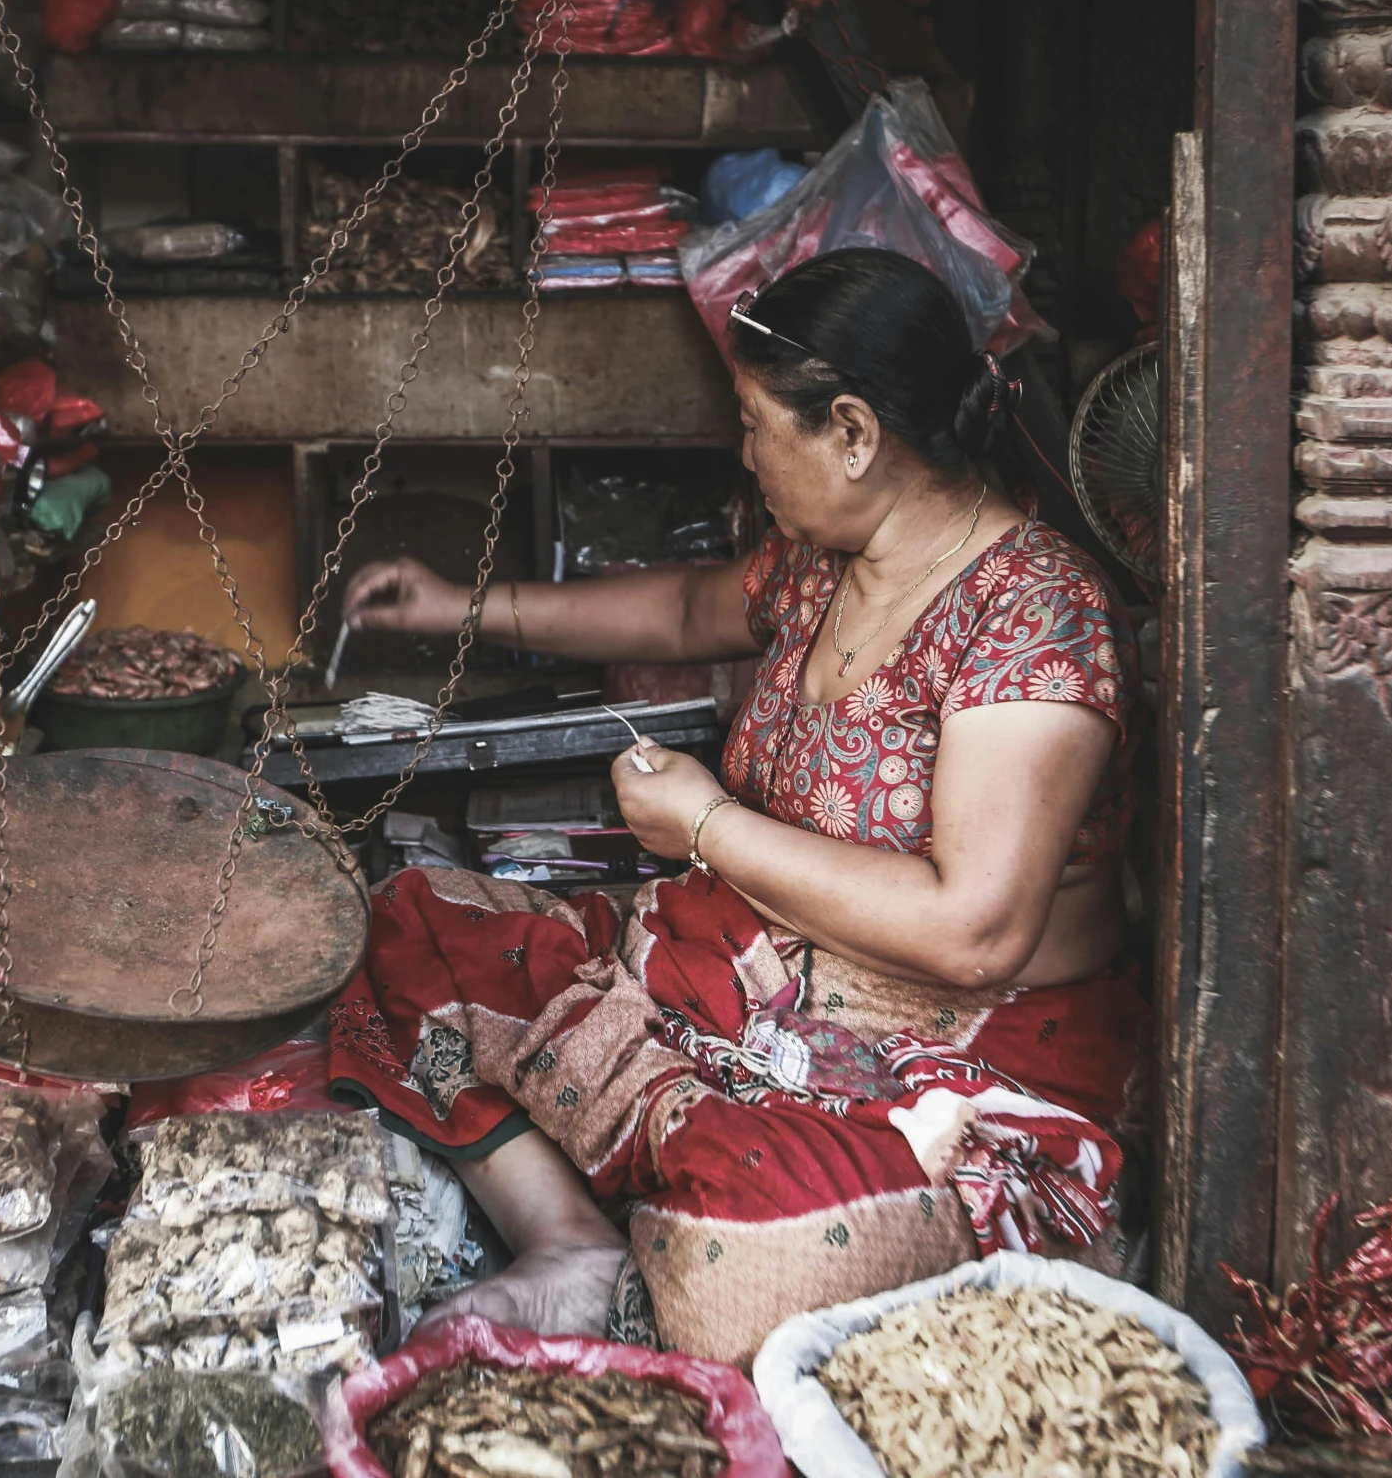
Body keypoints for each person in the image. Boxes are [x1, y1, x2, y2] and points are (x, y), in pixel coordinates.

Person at [328, 247, 1143, 1365]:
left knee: (747, 1252)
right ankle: (570, 1239)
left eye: (758, 422)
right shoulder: (824, 559)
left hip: (940, 1054)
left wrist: (706, 826)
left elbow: (976, 928)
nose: (742, 450)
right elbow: (678, 610)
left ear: (852, 432)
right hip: (734, 977)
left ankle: (681, 1199)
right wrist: (457, 603)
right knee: (401, 920)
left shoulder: (1032, 609)